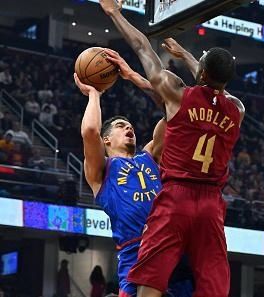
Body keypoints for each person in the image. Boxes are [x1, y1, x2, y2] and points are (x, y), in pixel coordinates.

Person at [99, 1, 245, 296]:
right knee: (212, 282)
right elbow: (219, 89)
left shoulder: (178, 95)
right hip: (211, 204)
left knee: (151, 277)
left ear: (200, 74)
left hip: (176, 196)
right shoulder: (237, 110)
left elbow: (142, 47)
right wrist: (192, 58)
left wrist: (114, 13)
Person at [74, 57, 192, 297]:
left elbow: (174, 110)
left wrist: (134, 77)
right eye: (120, 126)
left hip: (172, 247)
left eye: (130, 126)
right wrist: (94, 94)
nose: (129, 128)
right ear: (106, 140)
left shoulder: (149, 156)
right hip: (135, 253)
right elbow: (89, 131)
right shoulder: (102, 169)